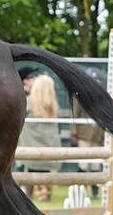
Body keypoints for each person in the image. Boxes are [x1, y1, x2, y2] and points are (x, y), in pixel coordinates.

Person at [17, 68, 61, 201]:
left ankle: (28, 195)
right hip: (49, 147)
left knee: (30, 170)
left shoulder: (28, 103)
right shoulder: (53, 106)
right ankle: (45, 194)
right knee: (45, 170)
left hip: (31, 147)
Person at [71, 67, 107, 199]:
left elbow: (105, 117)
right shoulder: (80, 96)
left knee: (96, 164)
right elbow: (75, 115)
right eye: (93, 79)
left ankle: (95, 192)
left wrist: (103, 136)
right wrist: (74, 133)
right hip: (84, 135)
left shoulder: (102, 97)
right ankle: (80, 191)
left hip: (97, 136)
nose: (96, 82)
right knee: (83, 163)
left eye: (97, 79)